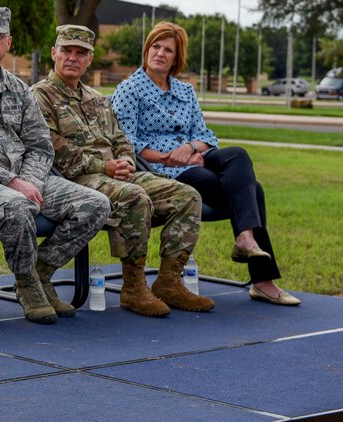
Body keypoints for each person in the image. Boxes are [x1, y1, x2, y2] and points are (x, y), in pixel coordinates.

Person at [0, 7, 111, 324]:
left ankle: (40, 271)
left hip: (24, 180)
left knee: (95, 203)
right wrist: (13, 182)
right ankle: (26, 283)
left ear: (8, 43)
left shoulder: (19, 90)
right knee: (15, 205)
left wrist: (29, 181)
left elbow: (40, 145)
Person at [110, 21, 299, 307]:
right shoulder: (129, 89)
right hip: (163, 167)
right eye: (155, 47)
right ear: (147, 50)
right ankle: (261, 278)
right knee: (255, 190)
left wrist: (189, 148)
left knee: (238, 154)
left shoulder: (185, 91)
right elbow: (128, 142)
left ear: (177, 57)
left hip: (196, 156)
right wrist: (170, 156)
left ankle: (246, 240)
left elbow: (206, 135)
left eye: (168, 50)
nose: (160, 53)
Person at [31, 25, 214, 315]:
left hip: (117, 173)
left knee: (187, 196)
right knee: (134, 197)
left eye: (81, 53)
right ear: (54, 54)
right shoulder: (39, 97)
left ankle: (169, 282)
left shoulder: (95, 97)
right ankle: (133, 288)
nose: (73, 58)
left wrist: (127, 161)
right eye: (66, 51)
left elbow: (121, 138)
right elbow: (54, 150)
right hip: (75, 179)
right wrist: (105, 165)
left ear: (90, 59)